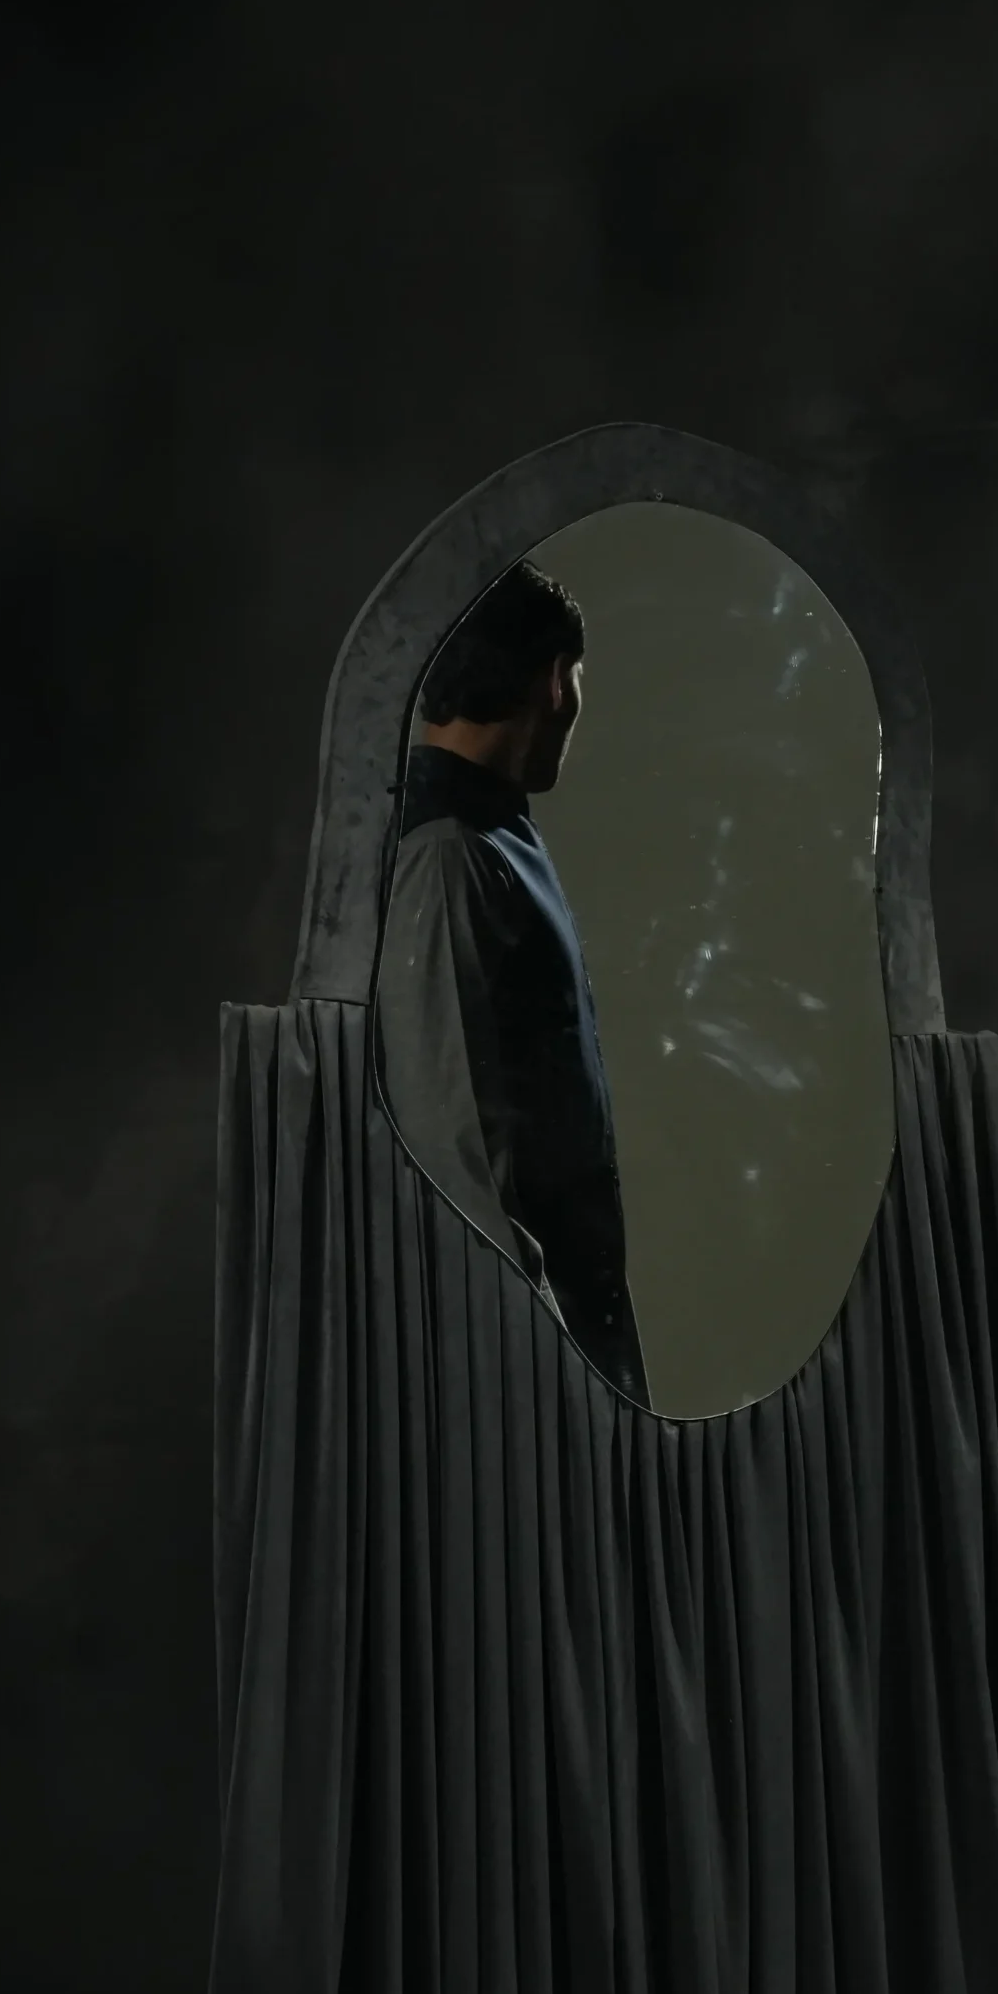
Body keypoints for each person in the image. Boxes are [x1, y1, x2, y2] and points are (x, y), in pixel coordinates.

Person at [375, 558, 650, 1405]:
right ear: (555, 680)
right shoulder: (448, 852)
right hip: (517, 1369)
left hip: (545, 1342)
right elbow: (453, 1151)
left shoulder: (480, 837)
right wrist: (547, 1376)